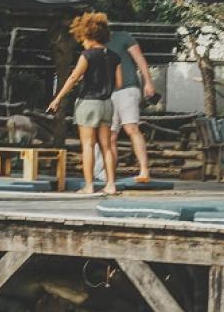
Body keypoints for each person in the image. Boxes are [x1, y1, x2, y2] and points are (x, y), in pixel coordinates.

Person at [47, 12, 121, 195]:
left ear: (88, 35)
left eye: (82, 38)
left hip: (88, 103)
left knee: (87, 145)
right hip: (107, 104)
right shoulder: (114, 56)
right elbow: (118, 83)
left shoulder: (87, 55)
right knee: (106, 146)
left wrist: (57, 98)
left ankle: (89, 185)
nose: (81, 42)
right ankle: (111, 184)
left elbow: (73, 77)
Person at [106, 29, 157, 183]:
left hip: (127, 88)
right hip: (108, 92)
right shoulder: (94, 43)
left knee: (131, 128)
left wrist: (148, 82)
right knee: (110, 136)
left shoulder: (123, 37)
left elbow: (140, 59)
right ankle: (110, 176)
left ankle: (144, 170)